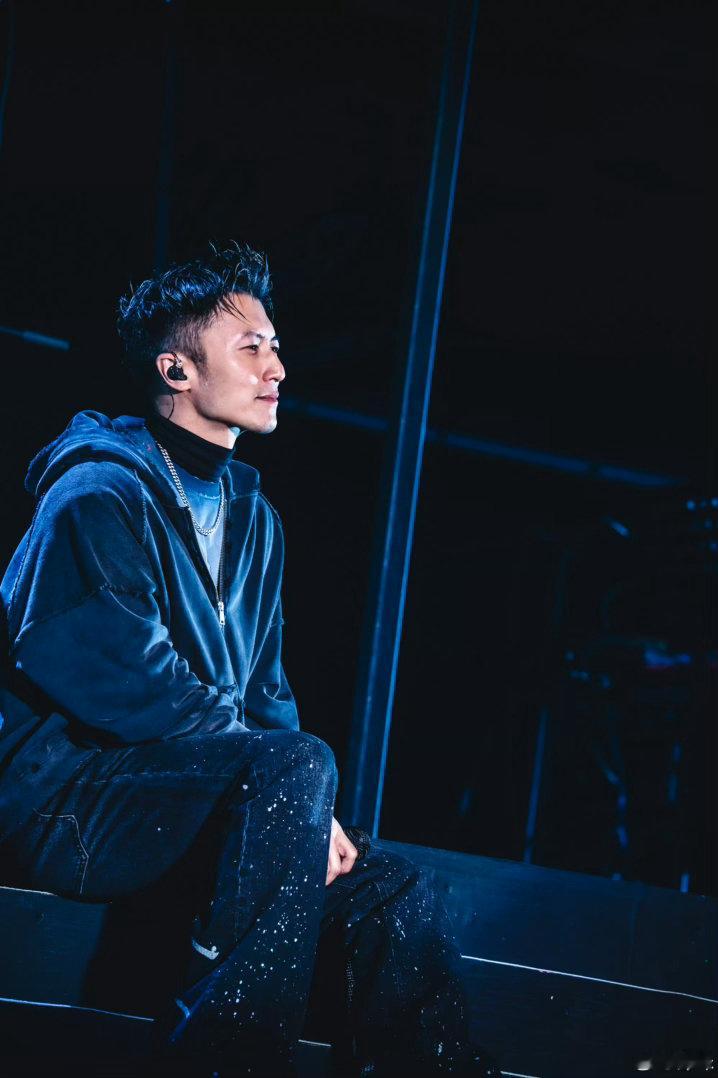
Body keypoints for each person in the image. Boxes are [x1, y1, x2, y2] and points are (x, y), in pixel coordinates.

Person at [0, 243, 498, 1077]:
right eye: (251, 348)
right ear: (177, 369)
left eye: (275, 346)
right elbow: (125, 677)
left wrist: (310, 809)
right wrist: (289, 783)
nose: (277, 368)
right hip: (69, 806)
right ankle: (229, 1060)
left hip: (201, 802)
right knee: (296, 767)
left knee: (398, 892)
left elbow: (266, 696)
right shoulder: (95, 494)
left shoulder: (255, 520)